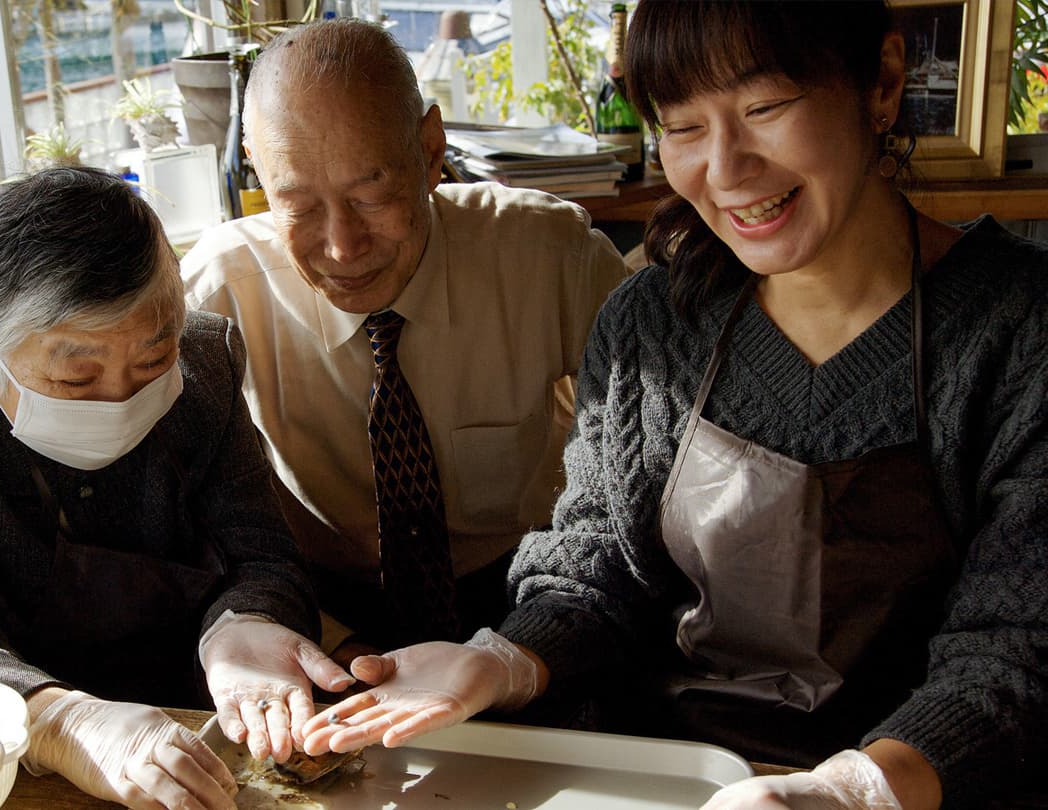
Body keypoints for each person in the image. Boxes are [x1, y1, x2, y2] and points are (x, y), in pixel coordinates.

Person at [299, 3, 1048, 808]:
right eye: (684, 126)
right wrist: (503, 658)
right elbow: (604, 564)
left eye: (765, 108)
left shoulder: (1017, 329)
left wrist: (855, 789)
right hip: (664, 780)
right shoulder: (653, 322)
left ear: (883, 84)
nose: (726, 169)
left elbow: (1017, 649)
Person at [0, 167, 354, 810]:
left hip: (203, 731)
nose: (121, 397)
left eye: (152, 361)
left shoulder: (206, 358)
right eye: (75, 378)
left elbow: (260, 550)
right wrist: (59, 722)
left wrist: (247, 627)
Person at [180, 18, 629, 660]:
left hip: (520, 594)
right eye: (299, 205)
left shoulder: (550, 257)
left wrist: (535, 641)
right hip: (321, 613)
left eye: (372, 194)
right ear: (258, 174)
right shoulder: (220, 293)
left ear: (430, 150)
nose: (341, 246)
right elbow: (194, 523)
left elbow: (649, 466)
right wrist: (329, 646)